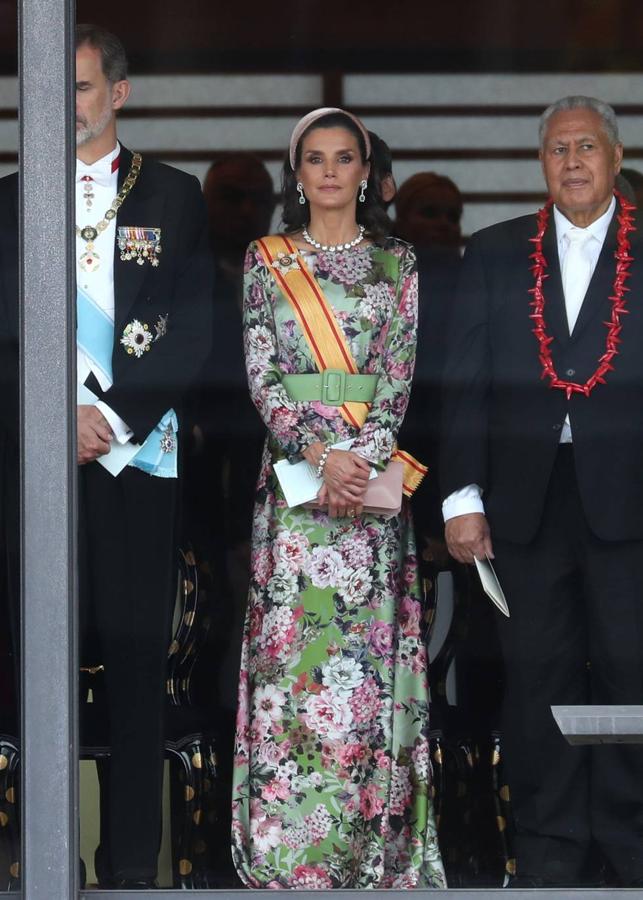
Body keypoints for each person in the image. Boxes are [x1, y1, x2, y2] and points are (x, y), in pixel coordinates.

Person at [0, 25, 212, 887]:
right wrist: (53, 417)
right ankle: (30, 866)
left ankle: (127, 873)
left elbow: (194, 331)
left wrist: (111, 416)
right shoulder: (9, 199)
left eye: (81, 86)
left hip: (134, 458)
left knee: (133, 670)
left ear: (117, 94)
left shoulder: (172, 194)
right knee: (30, 668)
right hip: (34, 466)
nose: (66, 104)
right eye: (51, 88)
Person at [231, 107, 445, 889]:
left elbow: (398, 374)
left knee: (365, 672)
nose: (328, 171)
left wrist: (360, 457)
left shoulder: (398, 263)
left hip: (369, 491)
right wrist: (319, 454)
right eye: (314, 158)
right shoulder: (266, 258)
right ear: (296, 175)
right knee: (292, 667)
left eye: (343, 157)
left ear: (364, 172)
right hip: (295, 491)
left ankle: (368, 853)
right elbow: (262, 374)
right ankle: (288, 854)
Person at [441, 95, 643, 888]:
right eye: (558, 149)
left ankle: (627, 837)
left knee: (627, 673)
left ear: (615, 159)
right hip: (523, 501)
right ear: (540, 164)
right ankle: (551, 843)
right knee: (539, 675)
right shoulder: (497, 251)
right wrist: (461, 498)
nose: (573, 162)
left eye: (586, 147)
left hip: (629, 497)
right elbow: (463, 382)